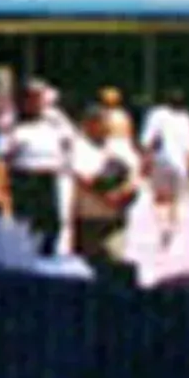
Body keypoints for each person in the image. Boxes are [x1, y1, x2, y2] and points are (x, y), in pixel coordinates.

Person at [69, 101, 146, 286]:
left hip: (115, 218)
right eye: (99, 122)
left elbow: (135, 172)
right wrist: (107, 197)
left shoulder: (120, 146)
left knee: (115, 262)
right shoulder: (78, 146)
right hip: (88, 217)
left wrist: (125, 193)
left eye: (105, 122)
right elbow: (83, 177)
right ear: (88, 124)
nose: (104, 126)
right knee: (87, 269)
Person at [0, 79, 72, 255]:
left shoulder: (55, 118)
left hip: (48, 177)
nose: (36, 102)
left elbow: (68, 139)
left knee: (51, 222)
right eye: (31, 98)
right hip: (24, 176)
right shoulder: (12, 121)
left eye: (39, 97)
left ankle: (47, 252)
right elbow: (2, 152)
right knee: (25, 222)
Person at [138, 88, 189, 251]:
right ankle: (174, 233)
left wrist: (145, 162)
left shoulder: (157, 114)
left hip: (161, 160)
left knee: (160, 199)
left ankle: (163, 229)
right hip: (180, 163)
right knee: (176, 200)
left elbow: (147, 141)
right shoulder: (186, 118)